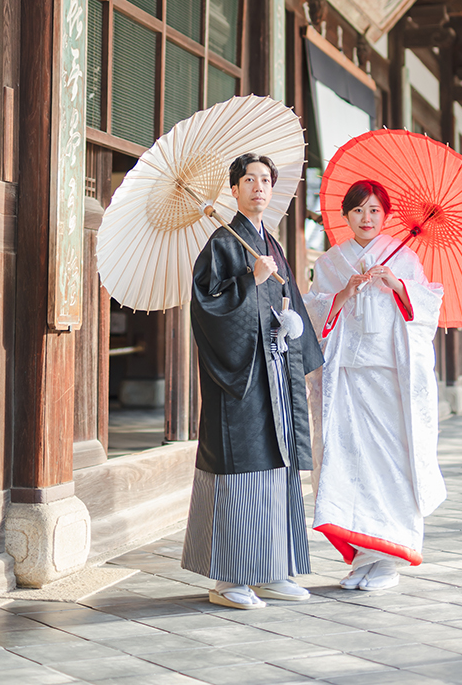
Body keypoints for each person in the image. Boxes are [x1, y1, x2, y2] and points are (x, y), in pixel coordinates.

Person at [181, 153, 323, 610]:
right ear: (235, 190)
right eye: (249, 180)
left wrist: (289, 324)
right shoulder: (223, 244)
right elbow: (206, 309)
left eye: (265, 180)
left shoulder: (271, 245)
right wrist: (247, 280)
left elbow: (287, 302)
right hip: (239, 381)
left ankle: (272, 569)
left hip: (274, 374)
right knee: (241, 470)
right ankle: (228, 578)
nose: (259, 187)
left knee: (277, 467)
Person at [304, 179, 446, 592]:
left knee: (390, 461)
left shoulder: (403, 260)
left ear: (385, 217)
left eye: (374, 211)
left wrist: (398, 285)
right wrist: (345, 292)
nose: (366, 219)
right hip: (347, 377)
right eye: (358, 211)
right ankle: (365, 557)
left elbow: (428, 308)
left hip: (389, 377)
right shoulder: (331, 261)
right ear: (346, 216)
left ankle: (390, 558)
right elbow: (315, 312)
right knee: (348, 461)